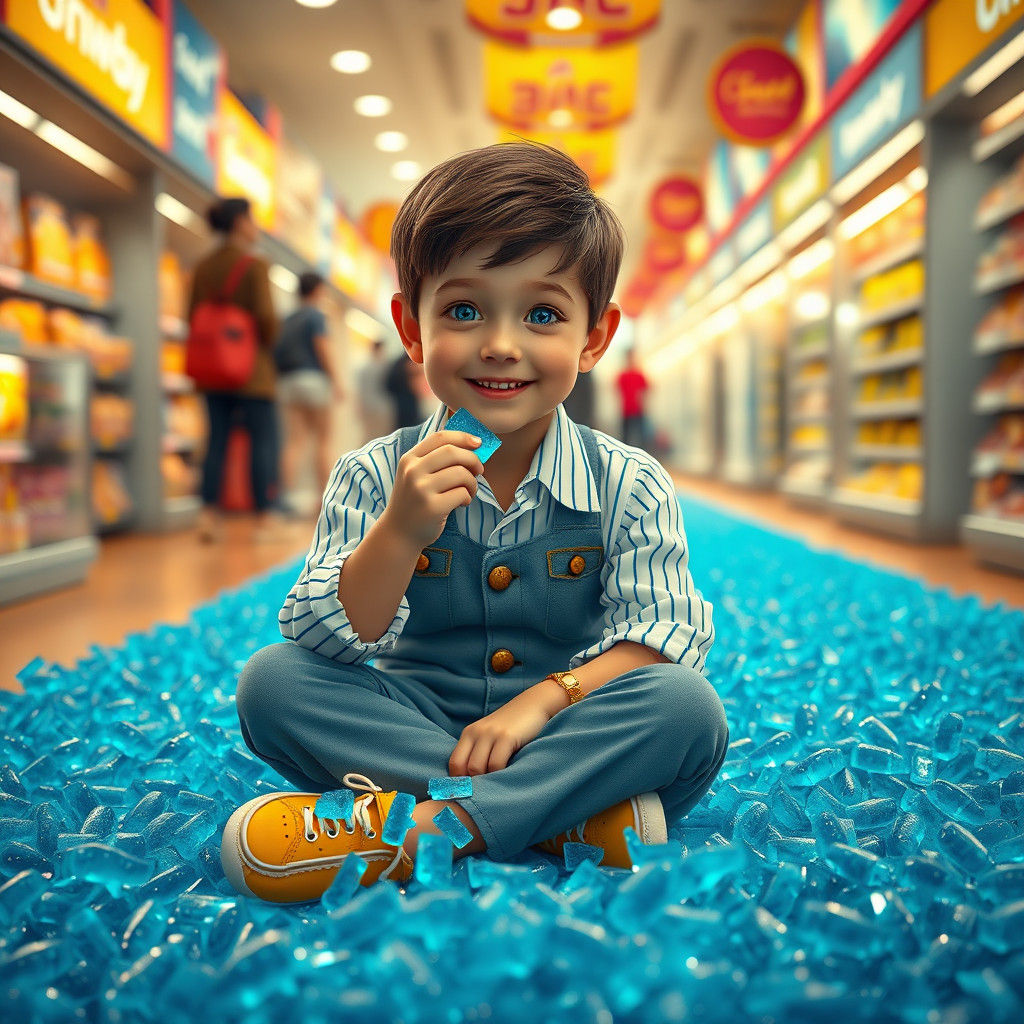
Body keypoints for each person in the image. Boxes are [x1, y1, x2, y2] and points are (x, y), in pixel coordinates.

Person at [221, 143, 726, 904]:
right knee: (272, 682)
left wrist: (544, 700)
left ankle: (422, 825)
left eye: (543, 313)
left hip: (566, 726)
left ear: (594, 337)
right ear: (411, 328)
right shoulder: (372, 473)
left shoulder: (629, 481)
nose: (500, 343)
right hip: (414, 719)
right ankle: (565, 821)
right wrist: (399, 530)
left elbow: (666, 637)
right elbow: (325, 640)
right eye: (463, 310)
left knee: (686, 708)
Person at [189, 197, 279, 542]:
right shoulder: (253, 265)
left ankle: (208, 515)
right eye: (252, 219)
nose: (256, 226)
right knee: (262, 442)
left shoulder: (203, 267)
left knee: (216, 441)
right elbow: (266, 319)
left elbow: (193, 315)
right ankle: (264, 520)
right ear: (240, 222)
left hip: (212, 369)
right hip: (252, 370)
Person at [274, 271, 345, 511]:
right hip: (314, 381)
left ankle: (283, 498)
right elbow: (322, 347)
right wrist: (337, 381)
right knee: (323, 440)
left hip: (288, 382)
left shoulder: (288, 319)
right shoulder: (315, 315)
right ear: (317, 290)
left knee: (294, 441)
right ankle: (324, 500)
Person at [354, 338, 392, 444]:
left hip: (368, 406)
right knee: (383, 437)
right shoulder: (385, 366)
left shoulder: (364, 367)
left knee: (368, 435)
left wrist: (358, 407)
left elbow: (359, 390)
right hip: (381, 407)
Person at [615, 347, 650, 450]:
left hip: (638, 410)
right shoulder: (623, 375)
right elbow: (618, 392)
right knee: (625, 438)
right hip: (626, 411)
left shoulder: (639, 375)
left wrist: (644, 405)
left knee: (641, 437)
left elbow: (645, 392)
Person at [385, 350, 423, 430]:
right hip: (405, 398)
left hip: (403, 398)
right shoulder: (406, 364)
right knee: (409, 422)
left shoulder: (398, 363)